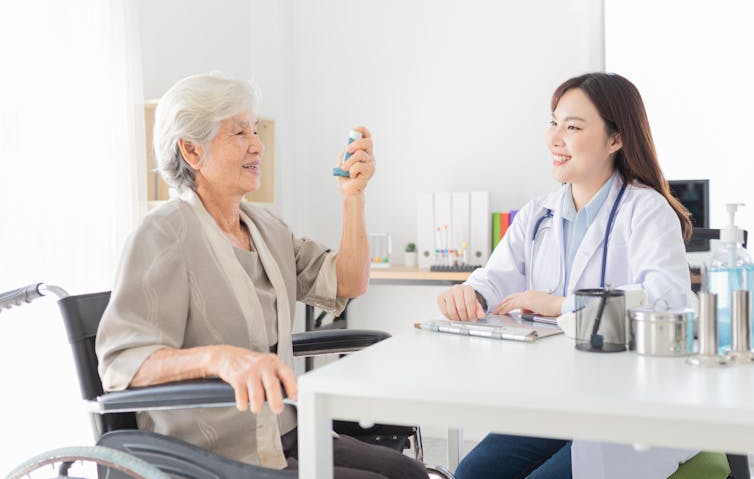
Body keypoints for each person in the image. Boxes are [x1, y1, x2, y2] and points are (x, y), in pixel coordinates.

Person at [96, 72, 427, 479]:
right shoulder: (163, 234)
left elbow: (348, 283)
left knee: (409, 473)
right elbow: (121, 363)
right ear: (191, 150)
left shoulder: (265, 227)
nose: (257, 144)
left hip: (285, 431)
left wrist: (353, 198)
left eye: (254, 130)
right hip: (213, 452)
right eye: (239, 133)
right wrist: (220, 359)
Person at [437, 73, 711, 479]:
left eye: (573, 127)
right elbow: (495, 278)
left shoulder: (647, 211)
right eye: (553, 123)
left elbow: (667, 305)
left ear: (615, 140)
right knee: (473, 473)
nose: (554, 138)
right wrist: (471, 293)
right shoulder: (538, 214)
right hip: (558, 401)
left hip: (633, 409)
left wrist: (563, 305)